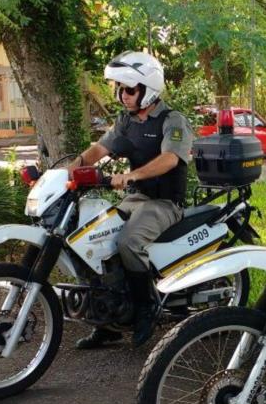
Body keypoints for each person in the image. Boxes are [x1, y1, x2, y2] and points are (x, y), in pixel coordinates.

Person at [68, 51, 193, 349]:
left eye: (129, 89)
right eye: (120, 89)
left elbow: (169, 159)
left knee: (128, 243)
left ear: (147, 89)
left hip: (164, 202)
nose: (123, 95)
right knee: (90, 240)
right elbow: (99, 149)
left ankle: (147, 306)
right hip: (136, 199)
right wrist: (72, 168)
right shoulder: (126, 122)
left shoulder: (172, 120)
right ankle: (106, 320)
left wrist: (131, 176)